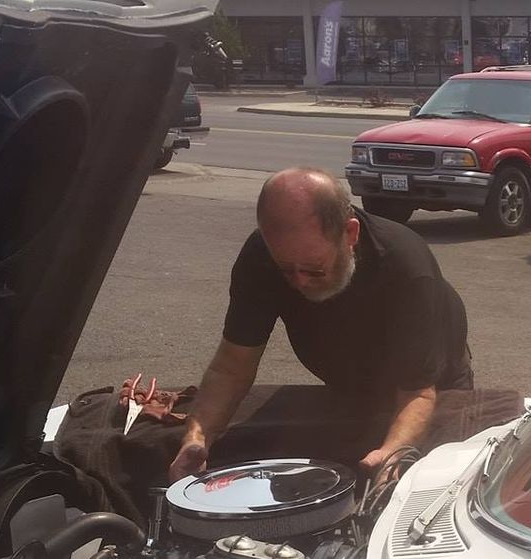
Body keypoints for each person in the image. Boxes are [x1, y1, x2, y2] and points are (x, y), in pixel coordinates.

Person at [170, 167, 473, 480]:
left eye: (314, 270)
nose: (300, 282)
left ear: (350, 234)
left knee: (429, 478)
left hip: (433, 382)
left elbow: (418, 392)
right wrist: (198, 436)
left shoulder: (405, 265)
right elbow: (232, 367)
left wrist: (391, 452)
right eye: (286, 270)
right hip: (348, 381)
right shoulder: (260, 257)